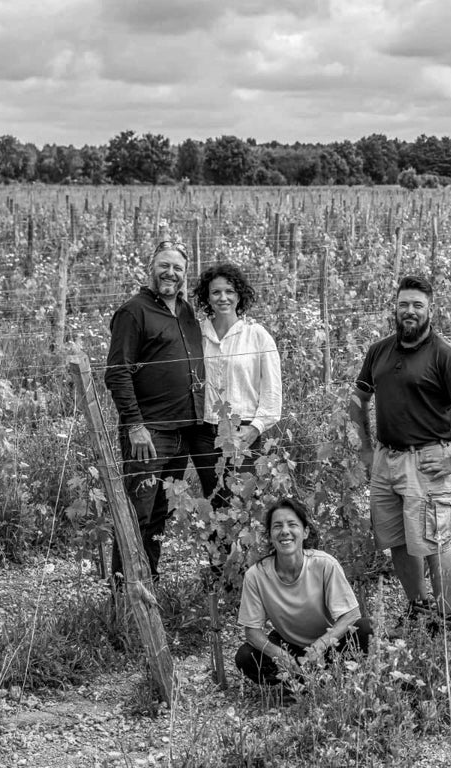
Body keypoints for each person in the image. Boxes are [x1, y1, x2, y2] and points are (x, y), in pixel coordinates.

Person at [349, 276, 451, 629]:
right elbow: (358, 398)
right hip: (386, 459)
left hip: (426, 461)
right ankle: (418, 606)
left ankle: (446, 620)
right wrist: (366, 448)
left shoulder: (443, 355)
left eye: (417, 305)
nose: (409, 311)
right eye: (403, 304)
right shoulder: (379, 350)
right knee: (397, 540)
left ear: (430, 310)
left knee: (436, 543)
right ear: (394, 308)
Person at [105, 240, 217, 582]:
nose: (170, 273)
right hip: (149, 432)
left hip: (183, 432)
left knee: (158, 514)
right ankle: (125, 592)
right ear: (150, 268)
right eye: (164, 266)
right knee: (137, 514)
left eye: (178, 268)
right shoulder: (133, 312)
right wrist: (135, 426)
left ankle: (148, 581)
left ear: (185, 274)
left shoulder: (185, 311)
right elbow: (118, 373)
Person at [192, 262, 282, 579]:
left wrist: (255, 429)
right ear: (206, 296)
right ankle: (221, 576)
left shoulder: (256, 336)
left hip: (245, 431)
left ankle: (252, 576)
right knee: (215, 503)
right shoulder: (197, 335)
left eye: (229, 291)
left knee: (245, 504)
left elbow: (272, 393)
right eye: (215, 292)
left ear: (239, 295)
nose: (223, 298)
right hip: (205, 433)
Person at [236, 498, 371, 687]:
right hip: (291, 650)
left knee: (366, 629)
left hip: (331, 645)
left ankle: (332, 680)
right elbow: (252, 632)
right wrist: (280, 655)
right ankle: (296, 686)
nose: (285, 531)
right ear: (270, 536)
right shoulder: (256, 575)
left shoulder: (324, 564)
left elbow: (352, 614)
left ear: (305, 532)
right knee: (246, 656)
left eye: (292, 525)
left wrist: (320, 646)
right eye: (277, 526)